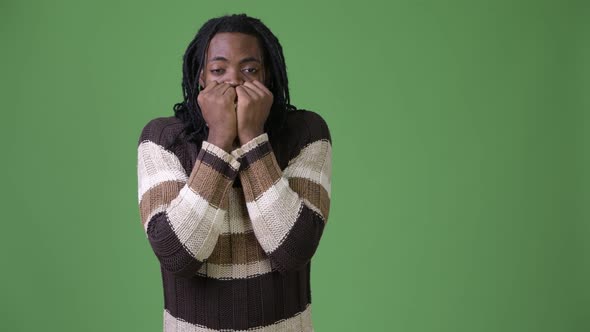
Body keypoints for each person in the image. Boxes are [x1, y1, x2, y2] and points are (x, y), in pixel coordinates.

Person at [136, 13, 332, 331]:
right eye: (218, 70)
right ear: (200, 76)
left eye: (250, 70)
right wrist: (219, 139)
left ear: (267, 75)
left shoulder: (306, 132)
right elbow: (177, 255)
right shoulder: (162, 140)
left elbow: (293, 250)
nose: (234, 81)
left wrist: (253, 138)